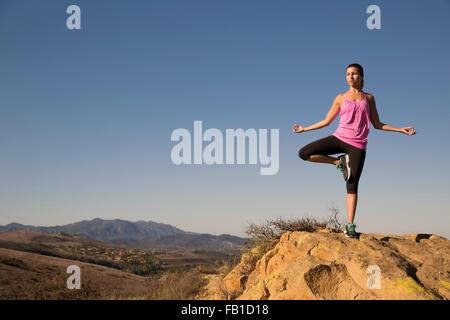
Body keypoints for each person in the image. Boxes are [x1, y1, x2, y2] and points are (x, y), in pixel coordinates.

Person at [293, 63, 416, 238]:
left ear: (362, 76)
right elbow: (326, 121)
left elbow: (377, 124)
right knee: (304, 153)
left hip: (357, 145)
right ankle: (338, 162)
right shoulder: (340, 97)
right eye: (348, 74)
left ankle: (350, 225)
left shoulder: (370, 98)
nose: (350, 77)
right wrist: (305, 129)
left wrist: (400, 129)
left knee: (352, 185)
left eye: (354, 74)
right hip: (339, 138)